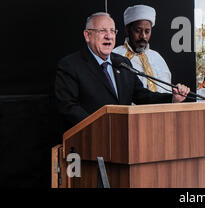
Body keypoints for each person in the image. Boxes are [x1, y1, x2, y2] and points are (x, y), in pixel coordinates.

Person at [55, 12, 189, 130]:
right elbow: (68, 107)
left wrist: (172, 98)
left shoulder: (122, 63)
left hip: (123, 141)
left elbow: (143, 96)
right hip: (90, 141)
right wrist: (99, 127)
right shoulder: (71, 65)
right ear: (87, 35)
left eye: (112, 31)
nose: (109, 36)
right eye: (102, 31)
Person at [113, 5, 172, 93]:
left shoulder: (157, 58)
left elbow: (167, 91)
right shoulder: (115, 55)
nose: (143, 36)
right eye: (138, 30)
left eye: (147, 31)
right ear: (128, 30)